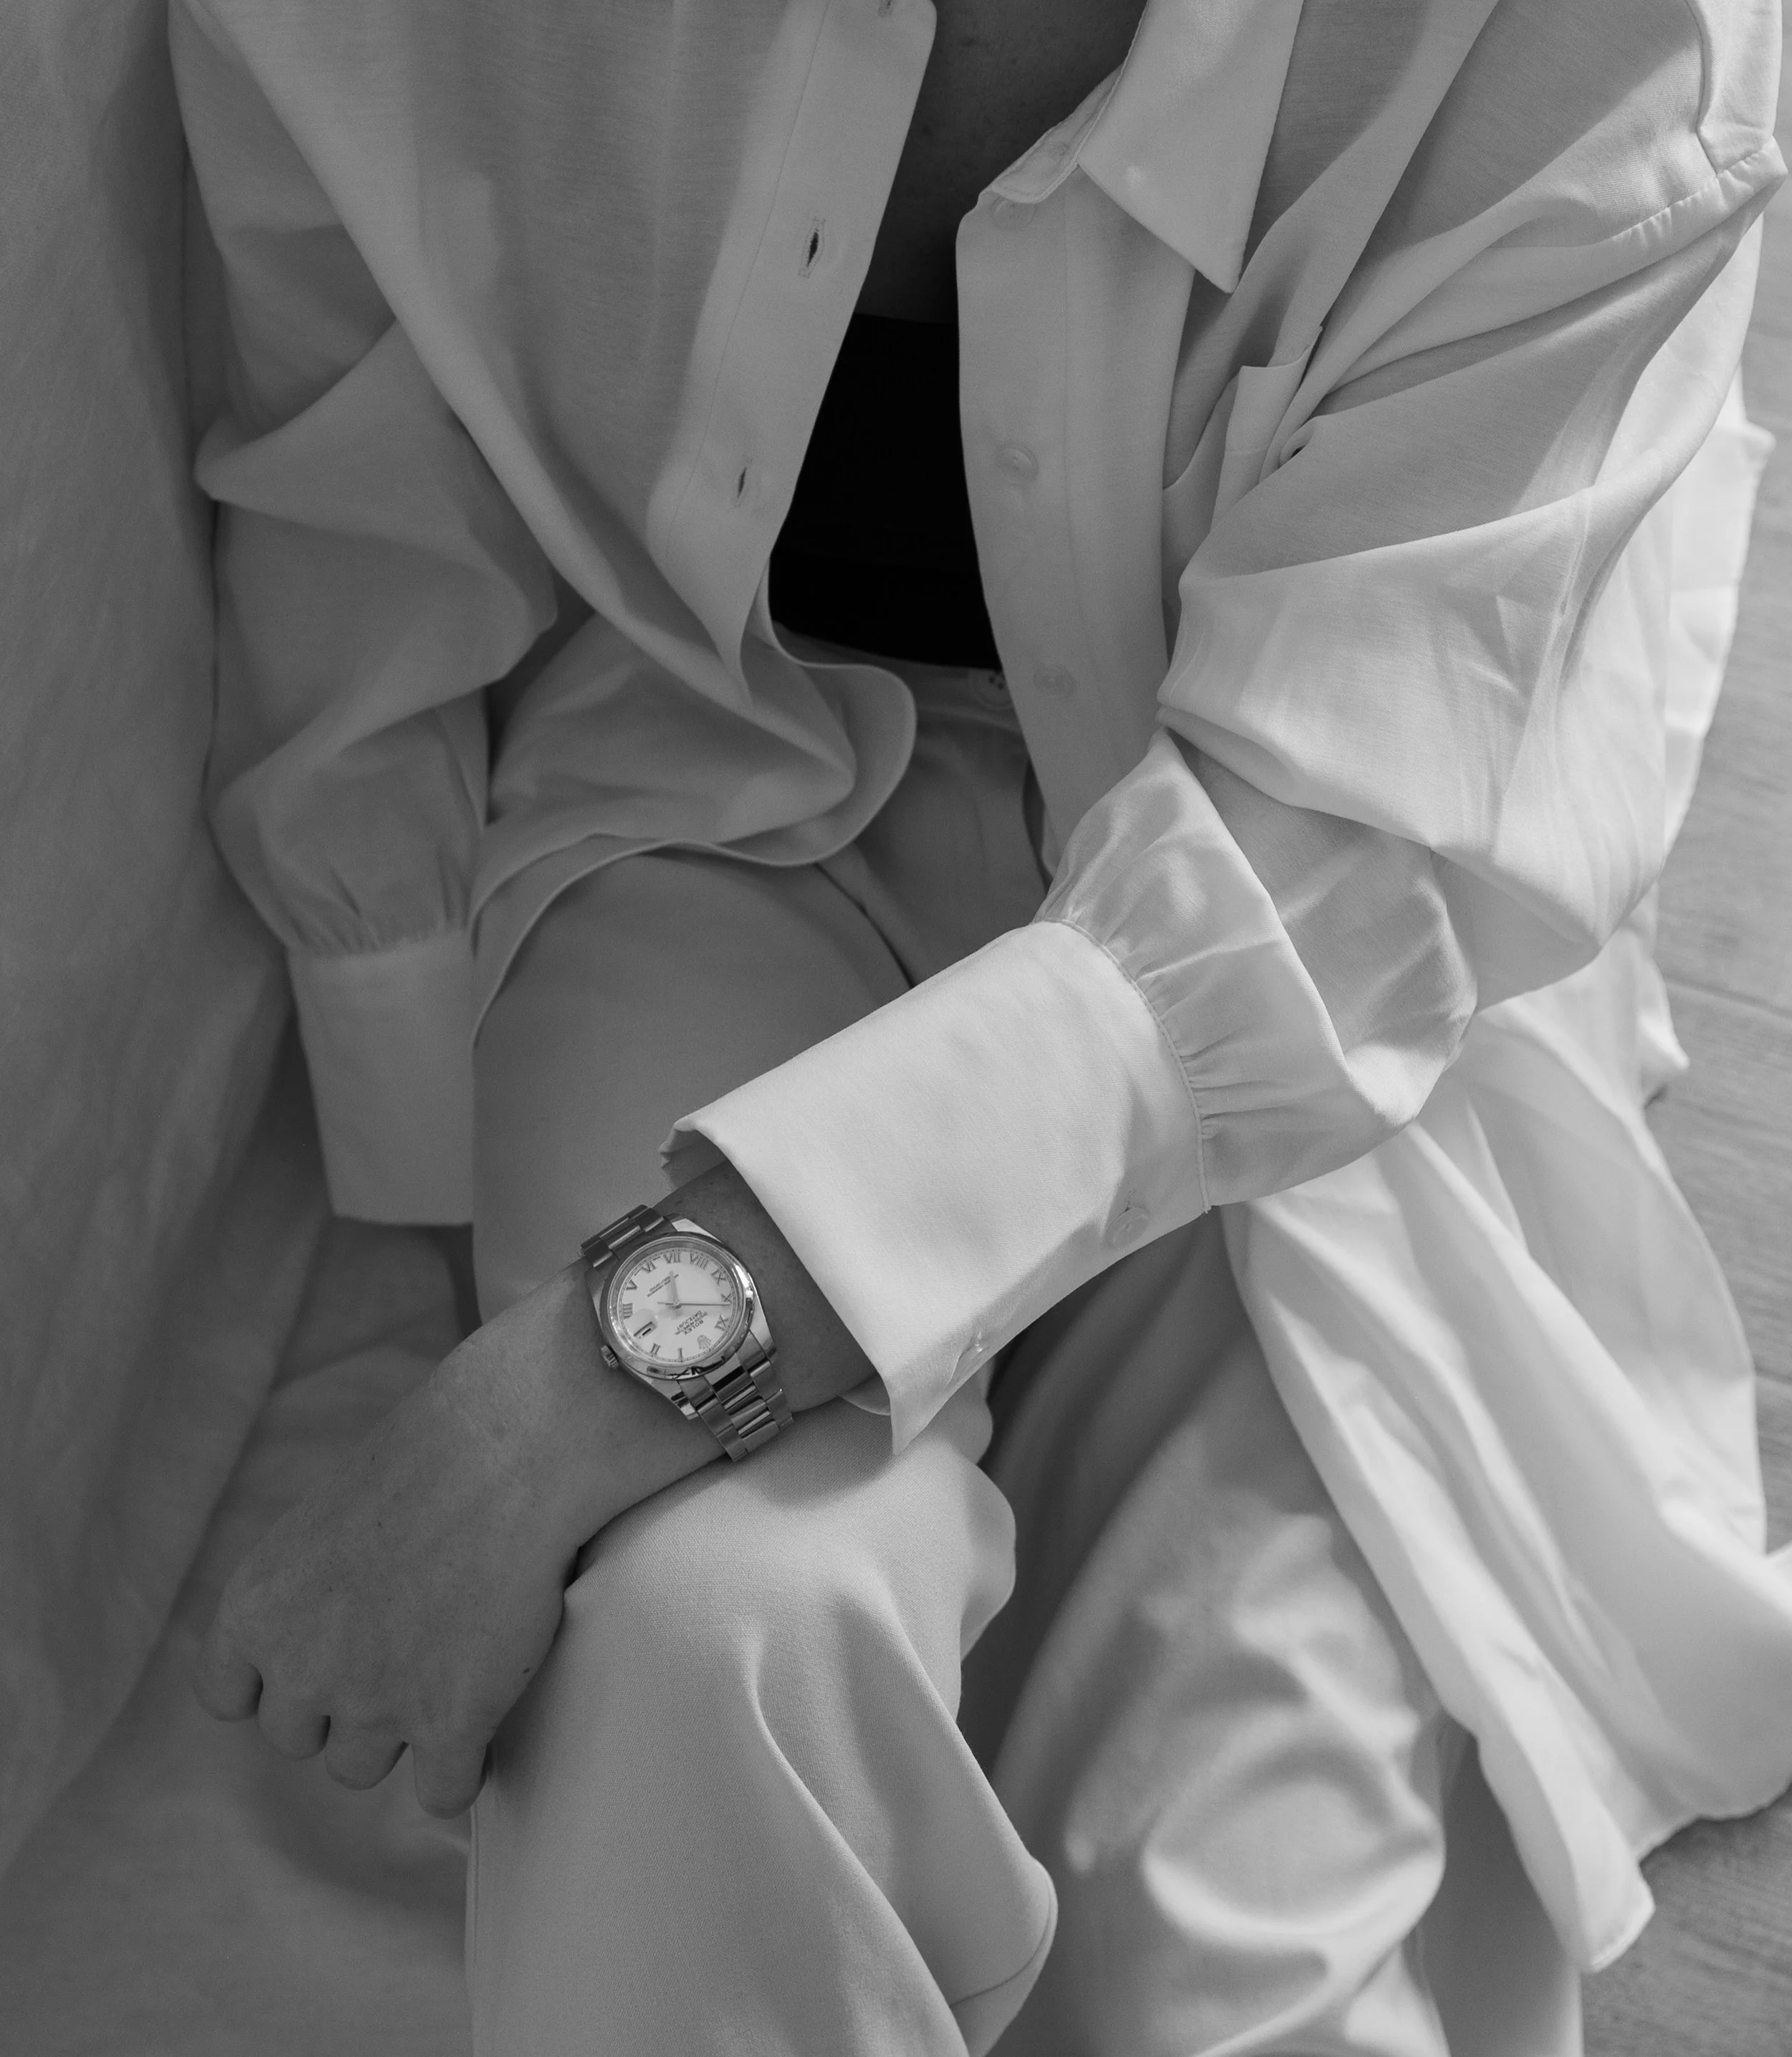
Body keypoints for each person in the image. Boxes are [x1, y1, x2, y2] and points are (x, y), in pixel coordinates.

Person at [168, 0, 1792, 2050]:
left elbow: (1343, 870)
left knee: (1228, 1960)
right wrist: (412, 1210)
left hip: (1321, 964)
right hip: (705, 767)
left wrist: (573, 1385)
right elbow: (364, 447)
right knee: (700, 1630)